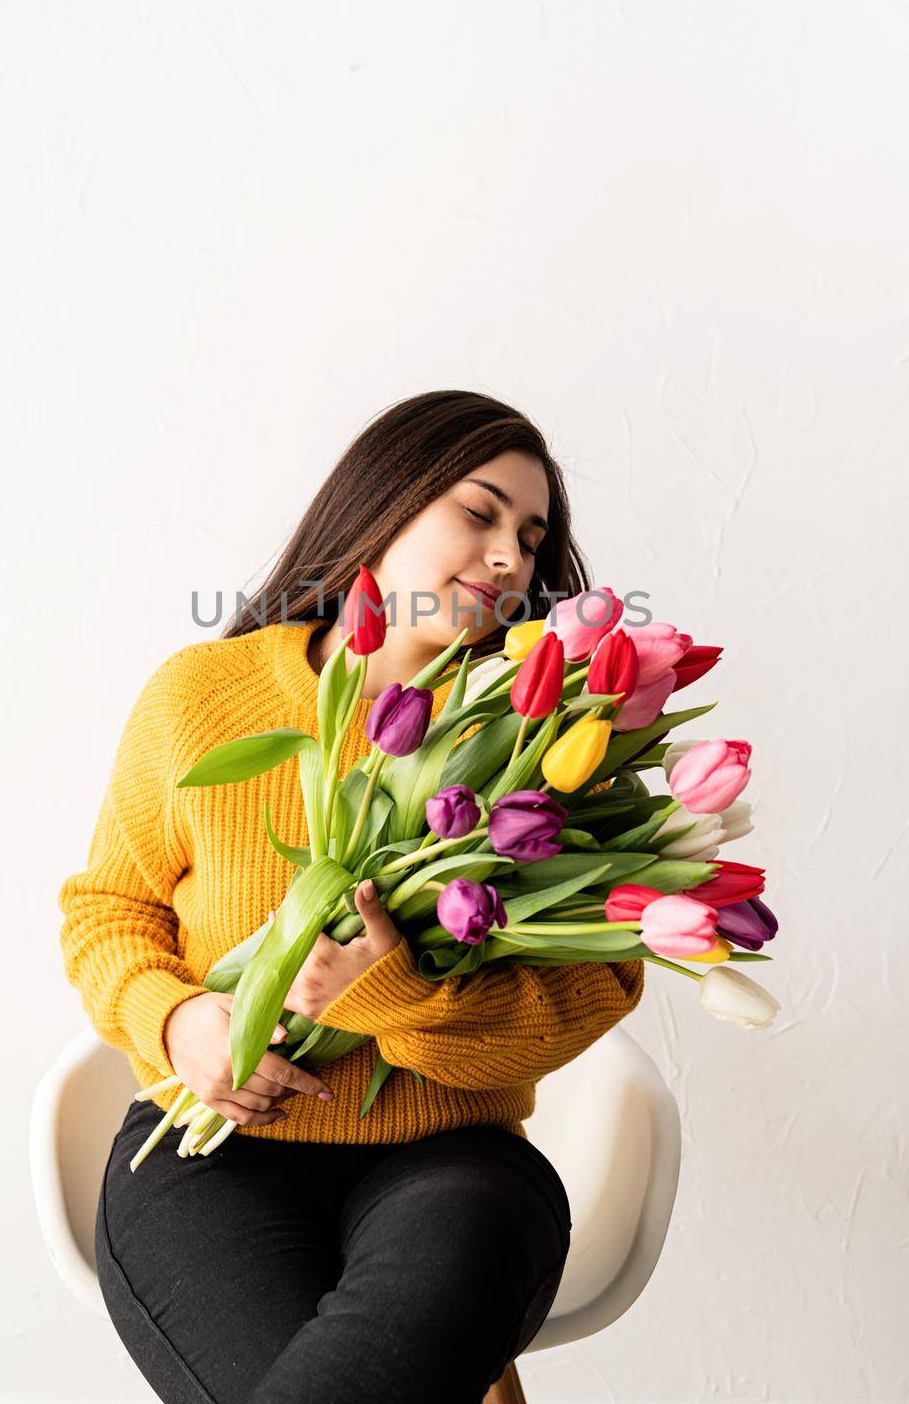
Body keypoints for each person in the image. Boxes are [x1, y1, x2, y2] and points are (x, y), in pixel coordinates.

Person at [58, 389, 646, 1404]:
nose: (511, 555)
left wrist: (391, 992)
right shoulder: (203, 695)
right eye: (479, 511)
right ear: (385, 503)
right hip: (212, 1156)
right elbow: (107, 911)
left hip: (455, 1164)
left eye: (531, 536)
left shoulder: (552, 746)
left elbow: (593, 989)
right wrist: (181, 1019)